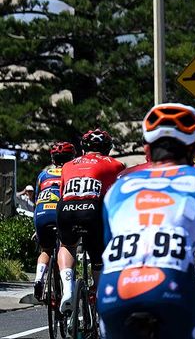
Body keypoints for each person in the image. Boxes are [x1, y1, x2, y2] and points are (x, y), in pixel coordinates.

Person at [97, 104, 195, 339]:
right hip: (173, 288)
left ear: (147, 149)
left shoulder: (117, 189)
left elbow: (107, 256)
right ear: (194, 149)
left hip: (113, 291)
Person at [57, 128, 126, 314]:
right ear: (107, 148)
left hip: (66, 208)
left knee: (66, 245)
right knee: (99, 257)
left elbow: (63, 193)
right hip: (93, 210)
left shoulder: (68, 165)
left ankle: (67, 288)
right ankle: (97, 295)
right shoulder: (115, 164)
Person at [32, 141, 75, 301]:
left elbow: (36, 200)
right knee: (67, 247)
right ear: (71, 157)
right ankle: (67, 288)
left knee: (46, 250)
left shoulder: (43, 175)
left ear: (53, 159)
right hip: (60, 212)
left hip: (41, 213)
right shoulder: (71, 172)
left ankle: (38, 279)